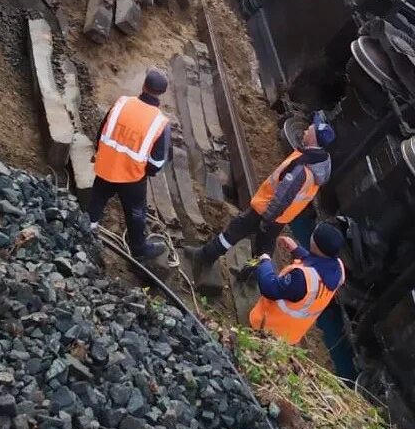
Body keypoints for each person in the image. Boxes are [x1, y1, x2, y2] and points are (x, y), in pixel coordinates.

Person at [188, 115, 334, 282]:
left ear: (314, 137)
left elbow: (282, 196)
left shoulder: (303, 167)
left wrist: (267, 219)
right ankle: (249, 275)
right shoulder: (319, 164)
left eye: (311, 129)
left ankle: (205, 256)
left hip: (266, 211)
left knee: (234, 230)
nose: (307, 129)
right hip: (279, 218)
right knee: (264, 250)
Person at [89, 69, 171, 260]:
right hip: (132, 178)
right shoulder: (160, 122)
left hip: (106, 166)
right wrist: (144, 171)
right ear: (161, 94)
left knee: (97, 199)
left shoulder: (121, 103)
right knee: (136, 213)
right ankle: (139, 249)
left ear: (143, 86)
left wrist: (106, 156)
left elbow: (102, 132)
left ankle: (89, 228)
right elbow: (156, 163)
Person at [249, 221, 346, 345]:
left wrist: (265, 261)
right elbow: (319, 266)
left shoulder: (301, 279)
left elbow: (269, 288)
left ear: (315, 244)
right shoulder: (338, 268)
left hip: (268, 329)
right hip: (290, 336)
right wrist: (297, 250)